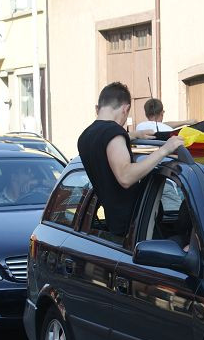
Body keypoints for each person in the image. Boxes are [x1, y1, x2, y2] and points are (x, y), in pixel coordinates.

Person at [78, 82, 184, 237]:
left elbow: (104, 146)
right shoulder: (114, 133)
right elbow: (125, 177)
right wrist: (164, 150)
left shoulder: (86, 136)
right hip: (138, 227)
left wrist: (134, 135)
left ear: (99, 107)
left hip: (117, 227)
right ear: (125, 108)